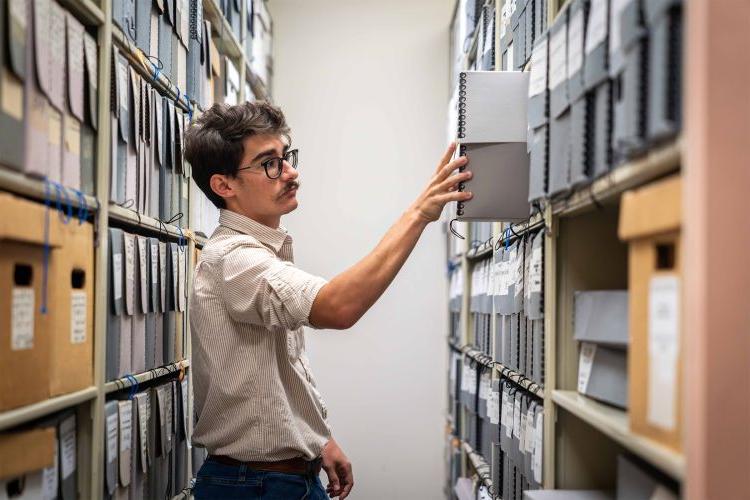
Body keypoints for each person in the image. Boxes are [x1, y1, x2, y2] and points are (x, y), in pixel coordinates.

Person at [184, 101, 472, 500]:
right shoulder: (234, 260)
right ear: (224, 185)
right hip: (255, 487)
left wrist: (318, 439)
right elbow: (338, 307)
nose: (290, 172)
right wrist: (419, 214)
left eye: (286, 158)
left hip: (277, 479)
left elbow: (277, 370)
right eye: (270, 163)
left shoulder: (261, 253)